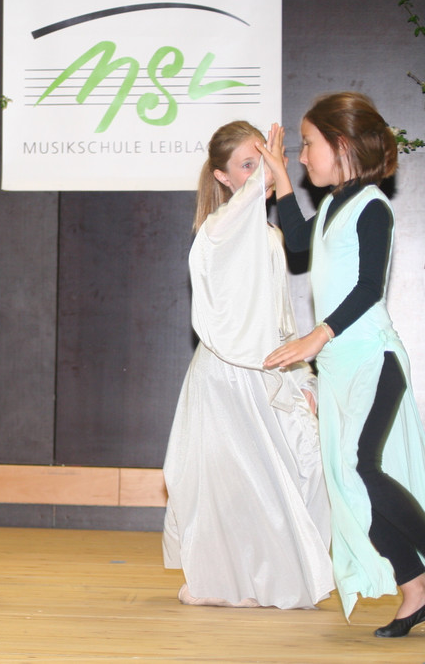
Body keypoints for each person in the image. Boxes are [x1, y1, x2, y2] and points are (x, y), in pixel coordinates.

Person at [262, 92, 425, 636]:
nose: (303, 156)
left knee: (360, 467)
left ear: (341, 145)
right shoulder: (333, 206)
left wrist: (317, 336)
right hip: (338, 367)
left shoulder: (372, 206)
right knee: (346, 479)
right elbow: (299, 241)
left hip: (373, 359)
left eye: (308, 145)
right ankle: (416, 589)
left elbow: (368, 287)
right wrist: (279, 176)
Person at [162, 121, 334, 609]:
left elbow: (280, 314)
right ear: (223, 176)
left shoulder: (269, 233)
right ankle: (221, 581)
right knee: (235, 481)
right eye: (247, 165)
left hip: (267, 370)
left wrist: (301, 377)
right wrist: (272, 172)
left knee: (293, 469)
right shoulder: (219, 231)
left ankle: (272, 576)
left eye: (265, 160)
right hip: (229, 377)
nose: (263, 172)